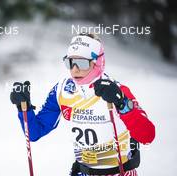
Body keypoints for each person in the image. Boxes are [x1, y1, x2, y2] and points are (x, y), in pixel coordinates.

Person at [10, 33, 155, 176]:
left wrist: (122, 103)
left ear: (97, 62)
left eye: (82, 63)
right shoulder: (62, 91)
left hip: (118, 172)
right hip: (82, 172)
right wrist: (24, 108)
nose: (74, 69)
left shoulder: (116, 91)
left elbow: (147, 136)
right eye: (70, 62)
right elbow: (35, 132)